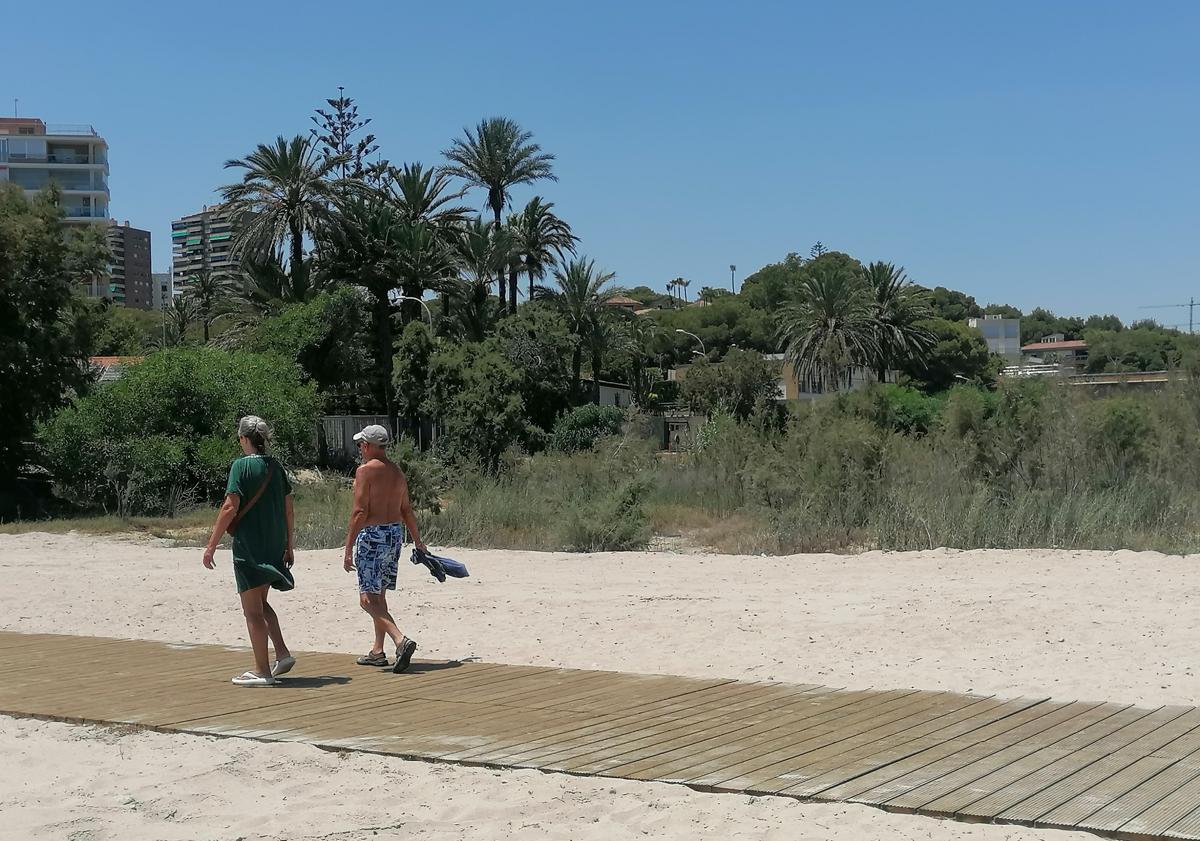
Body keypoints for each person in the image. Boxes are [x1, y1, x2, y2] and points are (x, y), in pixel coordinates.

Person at [203, 416, 296, 686]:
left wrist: (211, 545)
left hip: (249, 547)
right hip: (274, 544)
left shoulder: (240, 467)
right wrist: (289, 545)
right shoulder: (276, 467)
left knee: (252, 611)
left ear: (244, 439)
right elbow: (289, 508)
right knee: (261, 603)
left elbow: (230, 506)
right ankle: (282, 653)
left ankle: (261, 670)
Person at [343, 424, 427, 674]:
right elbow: (406, 510)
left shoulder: (365, 471)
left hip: (372, 536)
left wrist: (348, 546)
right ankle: (377, 652)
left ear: (368, 446)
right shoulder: (397, 472)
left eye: (361, 445)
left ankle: (400, 639)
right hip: (393, 535)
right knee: (379, 596)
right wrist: (418, 540)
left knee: (366, 600)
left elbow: (360, 512)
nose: (360, 449)